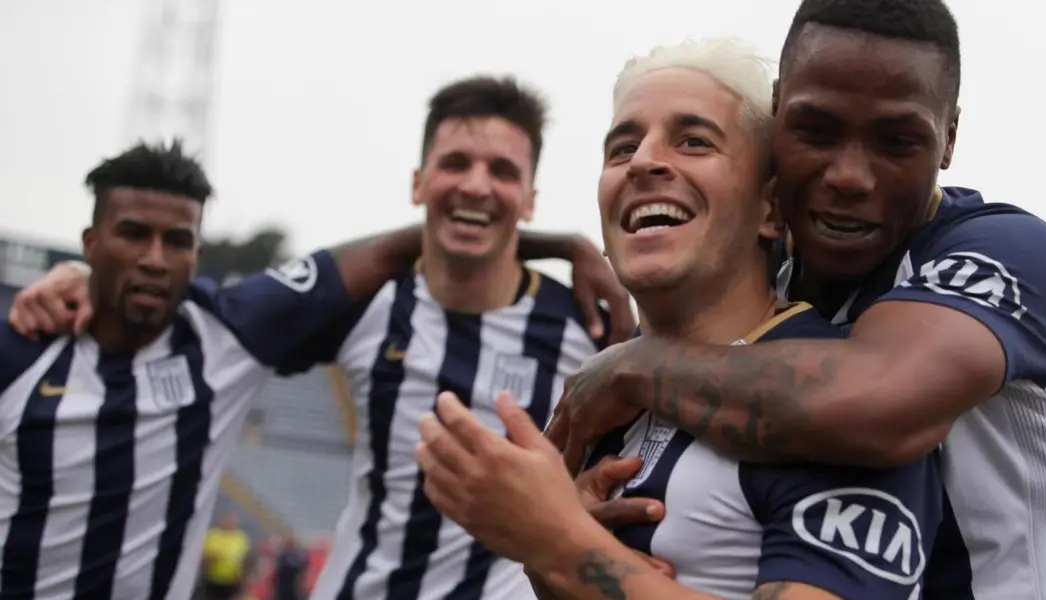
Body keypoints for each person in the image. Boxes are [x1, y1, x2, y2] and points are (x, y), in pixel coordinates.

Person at [547, 1, 1046, 599]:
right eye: (817, 130)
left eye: (897, 140)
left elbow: (879, 405)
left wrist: (631, 366)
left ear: (949, 138)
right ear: (779, 114)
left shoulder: (1006, 251)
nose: (850, 175)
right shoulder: (766, 273)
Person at [11, 77, 623, 600]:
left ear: (530, 198)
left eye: (502, 171)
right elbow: (206, 300)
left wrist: (570, 246)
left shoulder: (588, 326)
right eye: (456, 163)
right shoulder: (365, 307)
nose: (477, 184)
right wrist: (84, 276)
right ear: (419, 184)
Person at [411, 37, 943, 600]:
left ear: (771, 209)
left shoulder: (835, 403)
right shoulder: (602, 396)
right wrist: (553, 574)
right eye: (622, 148)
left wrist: (554, 542)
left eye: (694, 141)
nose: (643, 162)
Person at [202, 513, 253, 600]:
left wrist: (244, 578)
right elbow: (205, 555)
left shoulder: (241, 538)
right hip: (212, 578)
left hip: (233, 580)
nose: (228, 524)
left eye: (231, 522)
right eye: (226, 521)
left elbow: (246, 559)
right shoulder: (213, 535)